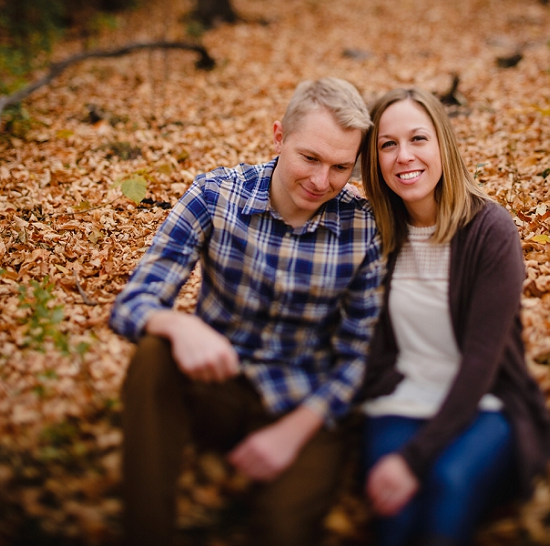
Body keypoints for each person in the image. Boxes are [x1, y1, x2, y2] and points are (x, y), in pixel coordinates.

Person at [108, 77, 386, 546]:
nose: (322, 182)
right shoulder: (217, 195)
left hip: (302, 401)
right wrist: (176, 323)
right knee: (155, 351)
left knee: (282, 531)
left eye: (341, 167)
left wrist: (291, 435)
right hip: (217, 379)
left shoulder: (364, 228)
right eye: (310, 158)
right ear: (278, 137)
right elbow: (134, 301)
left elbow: (361, 356)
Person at [357, 88, 550, 546]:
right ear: (374, 159)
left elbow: (482, 360)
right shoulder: (375, 231)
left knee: (449, 483)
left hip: (485, 402)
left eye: (418, 139)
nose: (403, 156)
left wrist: (415, 458)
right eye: (388, 144)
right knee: (393, 515)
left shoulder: (490, 231)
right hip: (401, 399)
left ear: (443, 146)